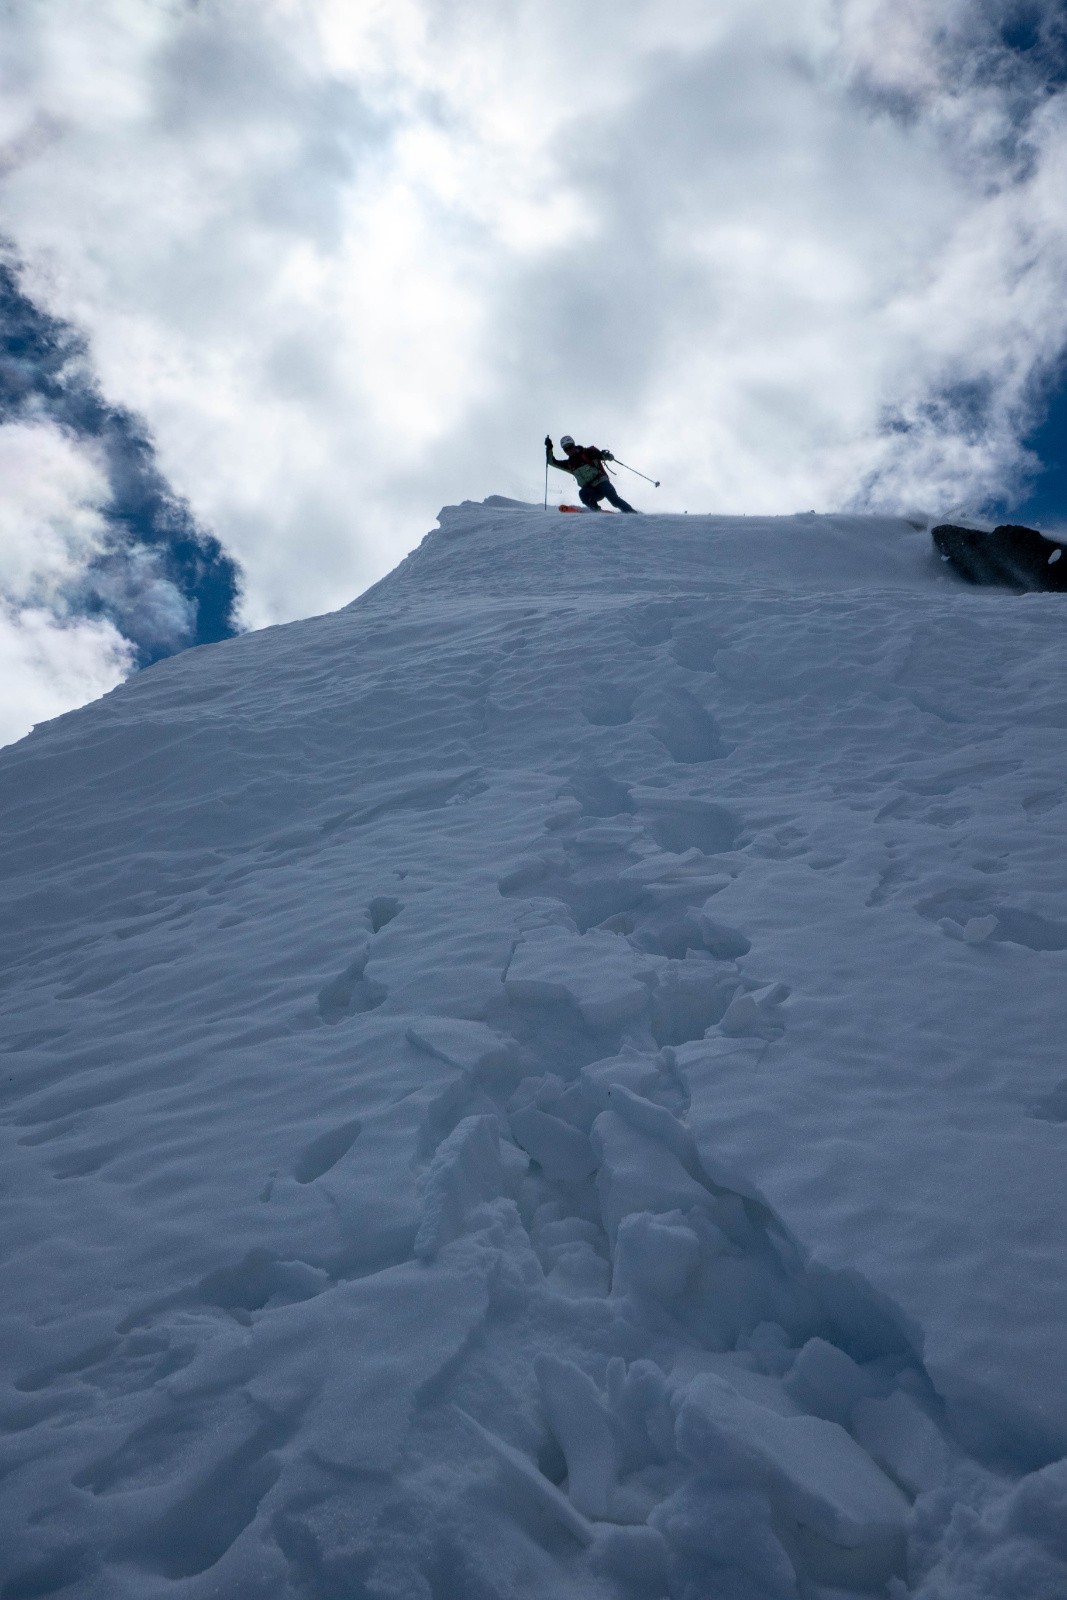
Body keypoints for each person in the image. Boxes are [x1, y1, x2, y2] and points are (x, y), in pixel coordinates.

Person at [545, 434, 637, 512]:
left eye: (570, 447)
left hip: (602, 483)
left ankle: (632, 514)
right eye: (566, 449)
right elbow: (551, 462)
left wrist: (607, 456)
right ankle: (596, 511)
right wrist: (549, 448)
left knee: (614, 501)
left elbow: (605, 456)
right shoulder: (569, 464)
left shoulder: (588, 453)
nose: (569, 450)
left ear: (574, 445)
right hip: (592, 490)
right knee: (582, 493)